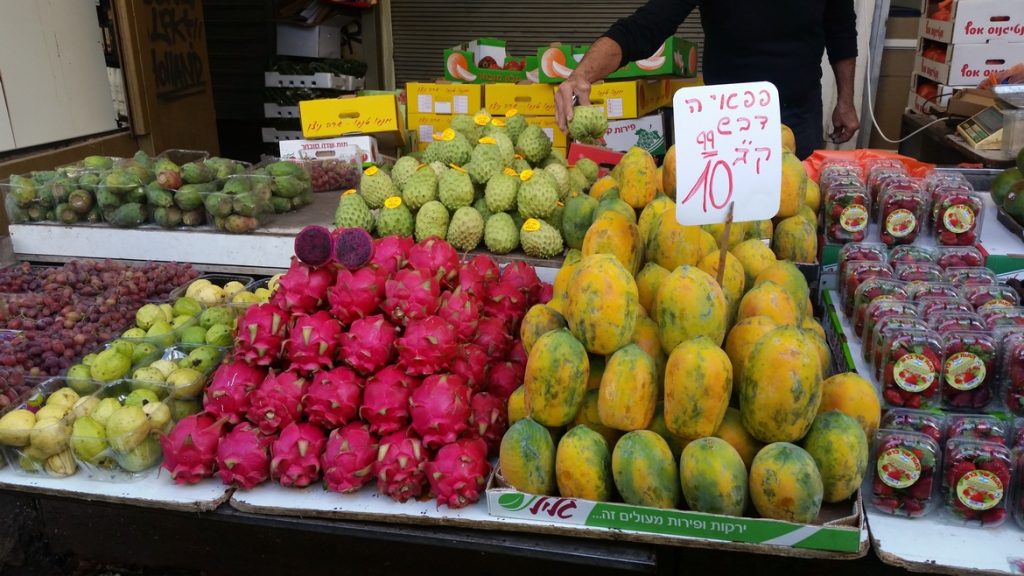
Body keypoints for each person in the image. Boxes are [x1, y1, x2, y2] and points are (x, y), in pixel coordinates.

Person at [555, 0, 861, 160]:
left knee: (794, 225)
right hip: (726, 122)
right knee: (725, 235)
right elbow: (644, 27)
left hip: (797, 115)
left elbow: (841, 31)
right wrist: (583, 74)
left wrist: (845, 101)